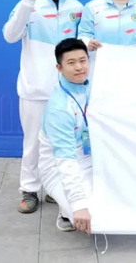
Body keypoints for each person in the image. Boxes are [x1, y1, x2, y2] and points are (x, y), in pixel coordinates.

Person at [2, 0, 83, 214]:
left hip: (66, 91)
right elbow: (10, 36)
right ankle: (29, 189)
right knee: (33, 143)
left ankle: (53, 188)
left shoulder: (77, 8)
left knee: (65, 143)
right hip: (34, 89)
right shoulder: (30, 3)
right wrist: (26, 4)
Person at [38, 39, 93, 234]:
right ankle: (66, 211)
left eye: (83, 60)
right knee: (94, 219)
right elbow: (65, 160)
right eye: (71, 63)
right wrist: (79, 204)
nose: (79, 67)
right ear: (59, 68)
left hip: (91, 158)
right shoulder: (59, 109)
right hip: (59, 166)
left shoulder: (92, 88)